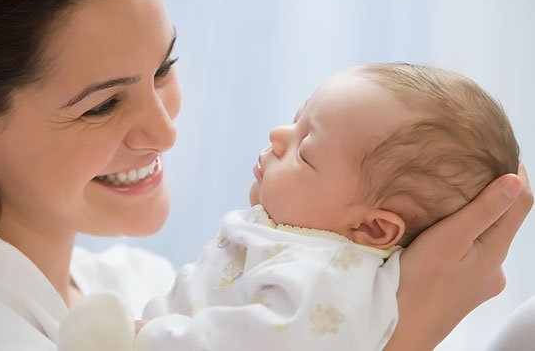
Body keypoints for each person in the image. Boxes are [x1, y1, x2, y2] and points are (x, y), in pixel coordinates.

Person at [0, 0, 531, 350]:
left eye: (163, 69)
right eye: (102, 105)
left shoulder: (143, 288)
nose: (164, 129)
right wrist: (405, 328)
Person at [59, 63, 520, 350]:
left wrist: (146, 338)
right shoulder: (293, 246)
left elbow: (254, 343)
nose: (279, 136)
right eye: (298, 120)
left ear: (375, 230)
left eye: (306, 151)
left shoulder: (321, 277)